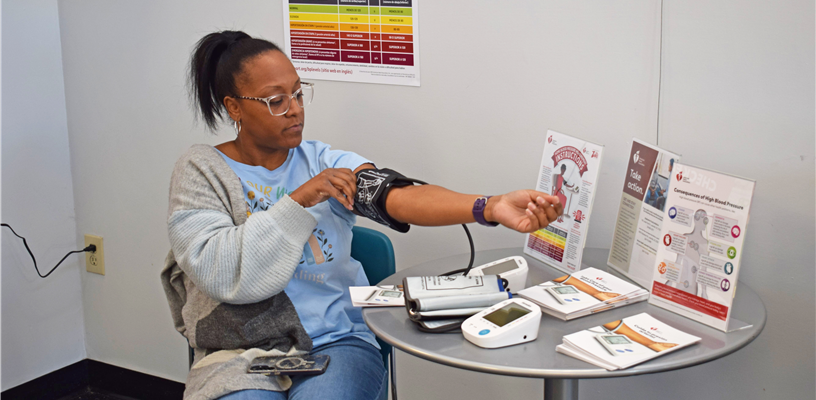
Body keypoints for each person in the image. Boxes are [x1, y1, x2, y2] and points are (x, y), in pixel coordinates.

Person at [161, 30, 563, 400]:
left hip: (335, 342)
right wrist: (299, 200)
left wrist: (488, 206)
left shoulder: (325, 162)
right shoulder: (202, 172)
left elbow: (398, 197)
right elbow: (219, 271)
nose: (295, 110)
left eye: (300, 94)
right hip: (239, 351)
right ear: (235, 107)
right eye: (276, 100)